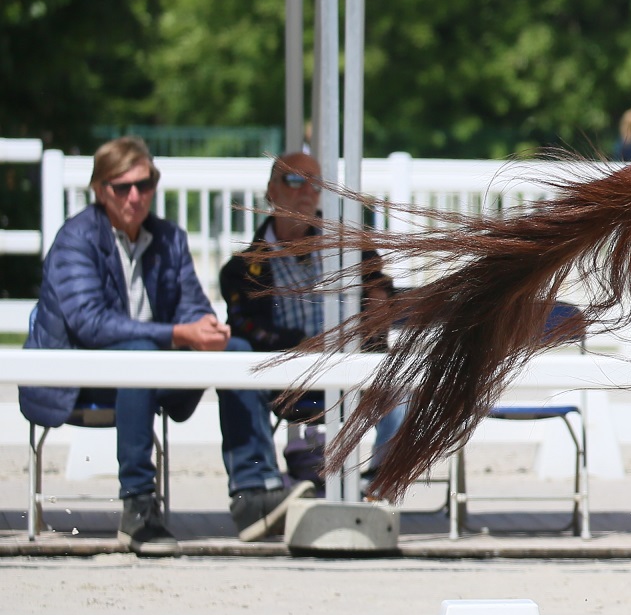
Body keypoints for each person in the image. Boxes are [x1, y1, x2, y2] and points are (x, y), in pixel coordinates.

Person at [22, 137, 308, 554]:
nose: (135, 196)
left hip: (149, 365)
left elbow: (190, 304)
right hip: (77, 378)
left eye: (145, 184)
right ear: (100, 190)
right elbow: (90, 325)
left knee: (237, 351)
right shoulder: (75, 239)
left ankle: (254, 495)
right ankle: (138, 506)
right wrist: (179, 335)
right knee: (138, 356)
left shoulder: (169, 237)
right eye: (123, 187)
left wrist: (205, 328)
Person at [220, 152, 394, 483]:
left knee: (401, 382)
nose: (307, 192)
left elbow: (382, 288)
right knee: (237, 366)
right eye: (296, 180)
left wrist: (377, 307)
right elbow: (245, 327)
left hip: (352, 369)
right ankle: (262, 487)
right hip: (287, 380)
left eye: (316, 184)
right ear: (272, 189)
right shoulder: (242, 267)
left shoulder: (346, 243)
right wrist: (299, 345)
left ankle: (380, 486)